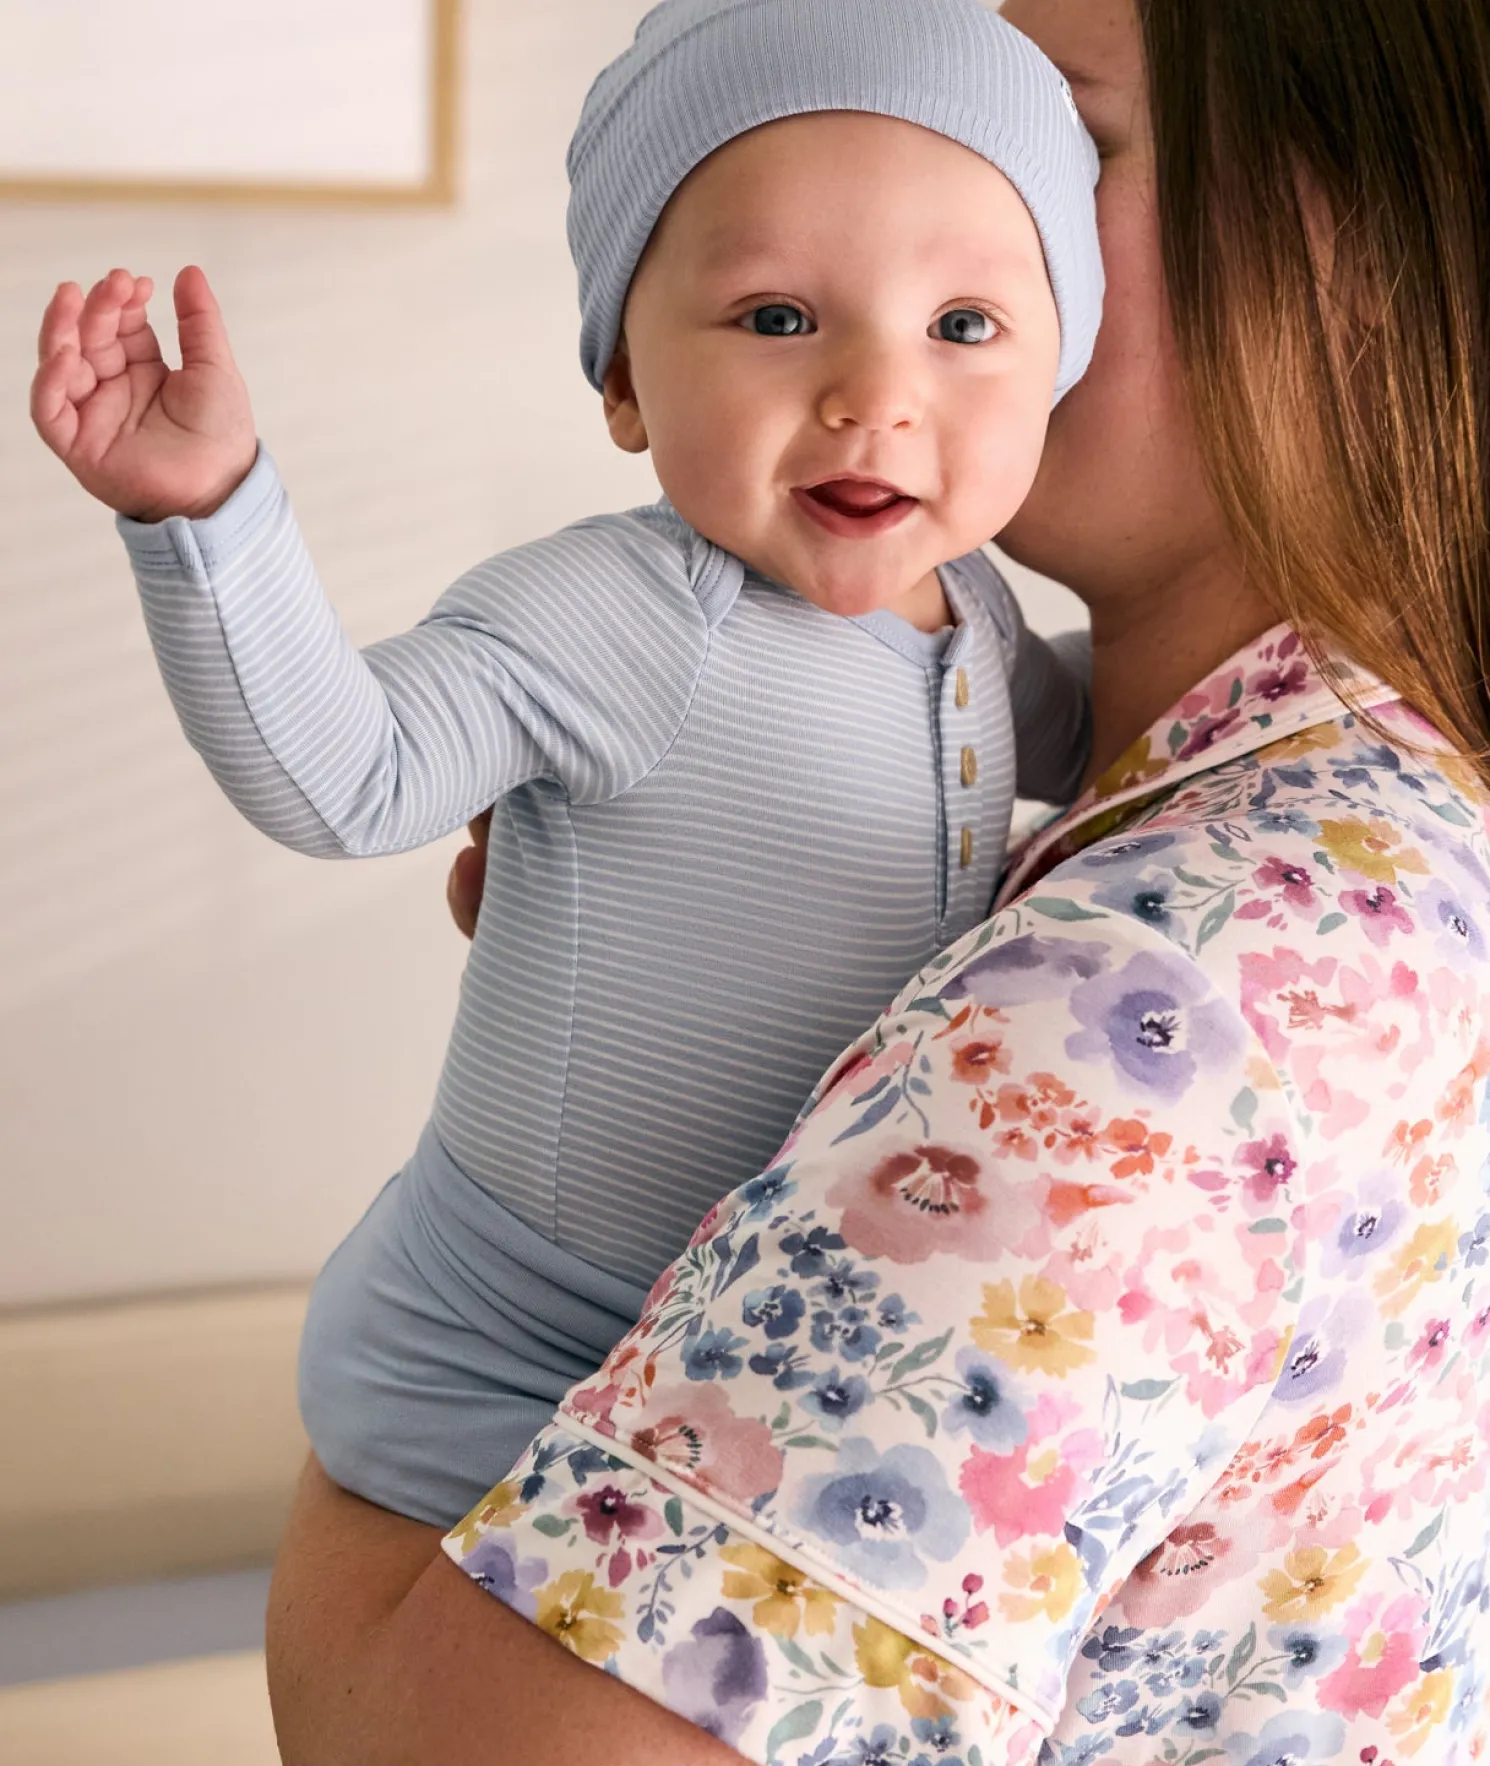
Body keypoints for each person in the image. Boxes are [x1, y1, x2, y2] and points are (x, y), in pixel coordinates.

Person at [29, 0, 1102, 1529]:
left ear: (1059, 369)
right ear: (621, 384)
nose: (878, 391)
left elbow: (1100, 734)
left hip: (746, 1353)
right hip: (507, 1354)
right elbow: (355, 775)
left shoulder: (978, 623)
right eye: (779, 318)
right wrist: (206, 511)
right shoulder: (618, 614)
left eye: (966, 326)